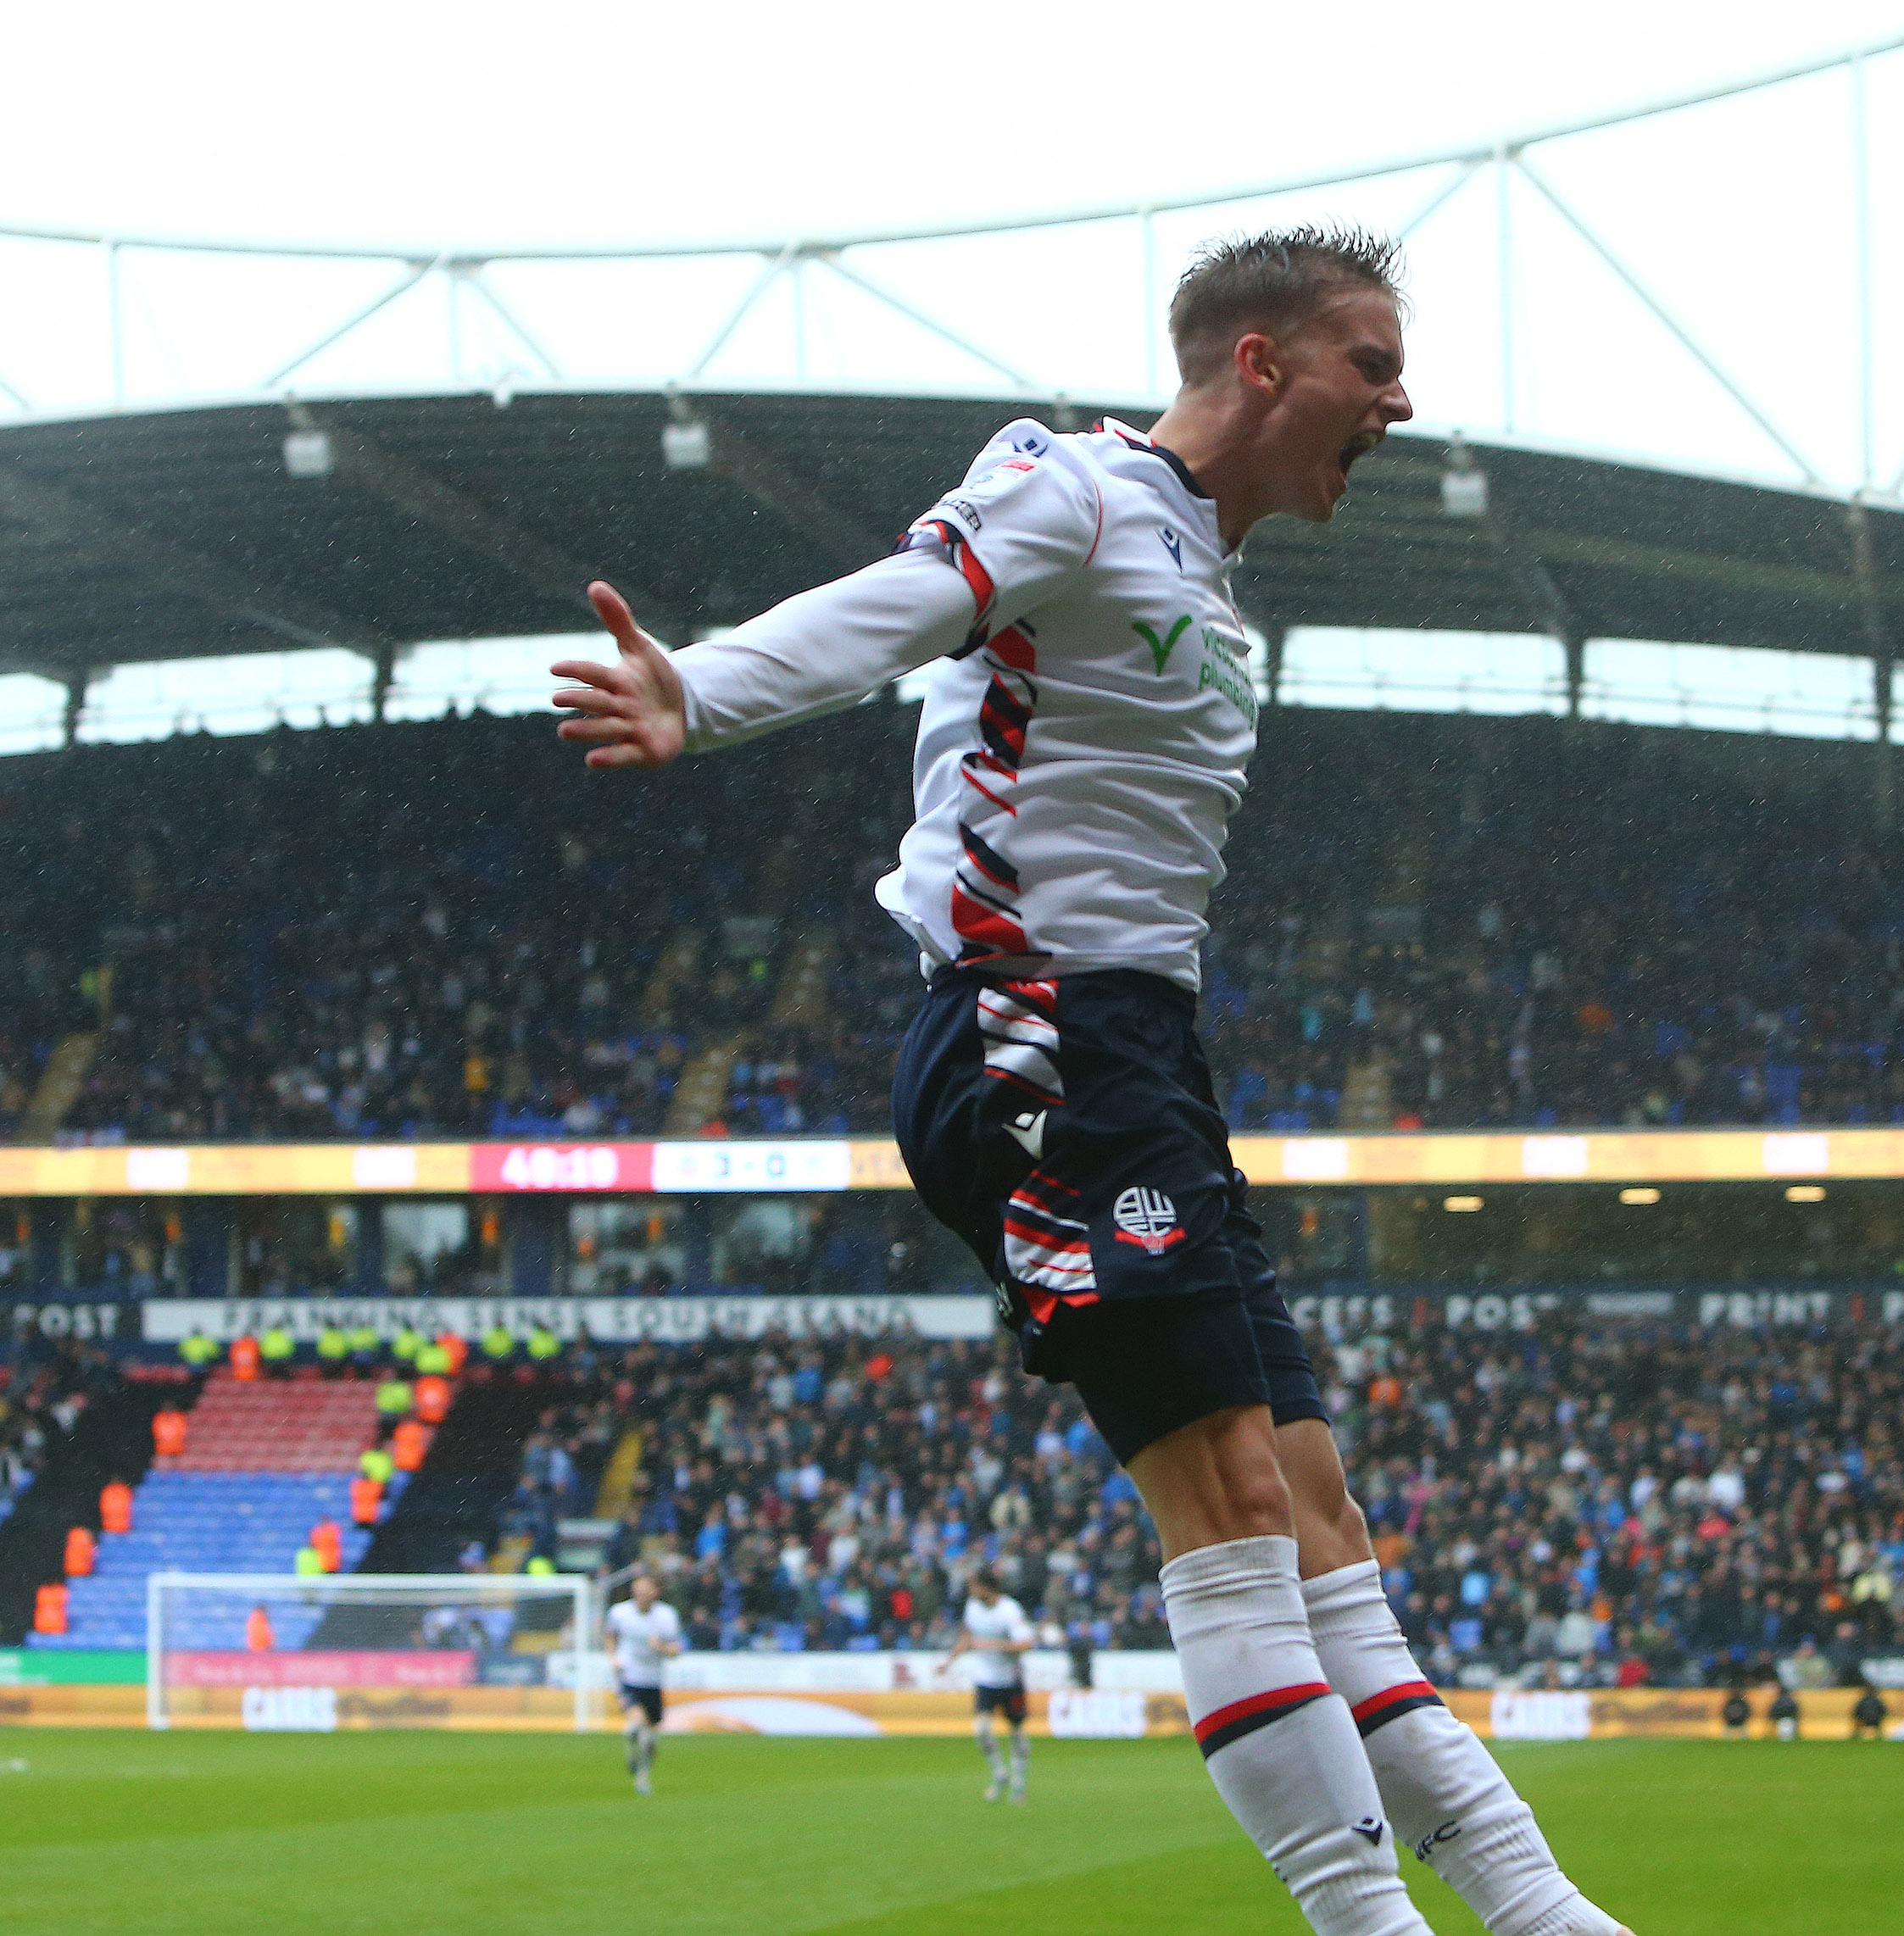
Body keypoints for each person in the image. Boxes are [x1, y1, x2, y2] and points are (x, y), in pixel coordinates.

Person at [552, 225, 1624, 1936]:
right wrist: (712, 687)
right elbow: (903, 602)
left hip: (1143, 1054)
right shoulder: (1080, 487)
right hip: (1034, 1027)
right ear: (1260, 362)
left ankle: (1540, 1908)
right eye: (1371, 361)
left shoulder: (1199, 564)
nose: (1401, 399)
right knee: (1227, 1499)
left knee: (1315, 1507)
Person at [941, 1569, 1037, 1802]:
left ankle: (1019, 1783)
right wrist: (950, 1661)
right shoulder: (973, 1608)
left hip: (1010, 1680)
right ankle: (999, 1773)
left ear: (987, 1587)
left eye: (974, 1586)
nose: (971, 1590)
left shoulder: (1009, 1610)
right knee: (982, 1730)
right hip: (985, 1679)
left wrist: (993, 1644)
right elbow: (968, 1636)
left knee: (1015, 1731)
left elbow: (1025, 1644)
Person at [606, 1572, 684, 1796]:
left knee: (650, 1739)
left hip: (653, 1680)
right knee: (637, 1723)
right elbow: (610, 1636)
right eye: (637, 1593)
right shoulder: (620, 1613)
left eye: (644, 1592)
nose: (640, 1597)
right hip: (629, 1677)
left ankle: (642, 1773)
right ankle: (633, 1739)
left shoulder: (667, 1616)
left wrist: (660, 1647)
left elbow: (676, 1650)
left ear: (654, 1593)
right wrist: (613, 1657)